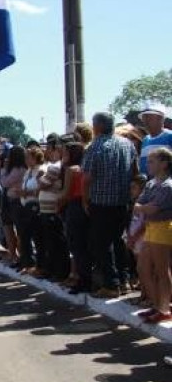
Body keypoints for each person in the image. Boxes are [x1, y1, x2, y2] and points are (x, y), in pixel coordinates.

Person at [83, 112, 138, 298]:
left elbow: (87, 178)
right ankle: (124, 281)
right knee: (119, 241)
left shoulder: (95, 146)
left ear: (97, 126)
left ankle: (111, 284)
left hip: (101, 202)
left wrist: (85, 199)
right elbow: (135, 171)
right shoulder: (127, 144)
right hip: (122, 202)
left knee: (101, 244)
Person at [132, 147, 172, 323]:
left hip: (163, 228)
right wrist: (143, 207)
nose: (148, 164)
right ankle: (157, 305)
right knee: (143, 267)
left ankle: (164, 308)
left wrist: (143, 207)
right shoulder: (150, 183)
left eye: (152, 161)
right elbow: (139, 204)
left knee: (161, 270)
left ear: (164, 164)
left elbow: (152, 208)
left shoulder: (167, 186)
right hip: (151, 228)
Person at [37, 135, 69, 281]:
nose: (46, 153)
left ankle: (59, 272)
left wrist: (42, 178)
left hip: (52, 211)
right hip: (47, 210)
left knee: (56, 244)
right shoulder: (54, 167)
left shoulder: (55, 167)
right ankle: (55, 271)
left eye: (48, 149)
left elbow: (42, 183)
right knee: (51, 243)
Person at [59, 142, 90, 292]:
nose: (63, 156)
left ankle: (82, 279)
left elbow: (66, 194)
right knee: (83, 244)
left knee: (76, 245)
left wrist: (57, 205)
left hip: (74, 206)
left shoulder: (71, 170)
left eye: (65, 153)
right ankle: (84, 277)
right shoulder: (85, 168)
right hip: (84, 206)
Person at [16, 147, 44, 273]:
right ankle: (28, 263)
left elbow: (40, 190)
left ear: (35, 157)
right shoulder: (28, 172)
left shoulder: (41, 171)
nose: (26, 159)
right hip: (25, 206)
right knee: (24, 235)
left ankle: (40, 265)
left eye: (28, 157)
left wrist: (26, 192)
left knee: (38, 237)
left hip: (35, 206)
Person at [138, 102, 172, 177]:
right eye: (144, 118)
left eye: (149, 117)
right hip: (149, 186)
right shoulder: (145, 139)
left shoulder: (170, 136)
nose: (145, 121)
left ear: (161, 119)